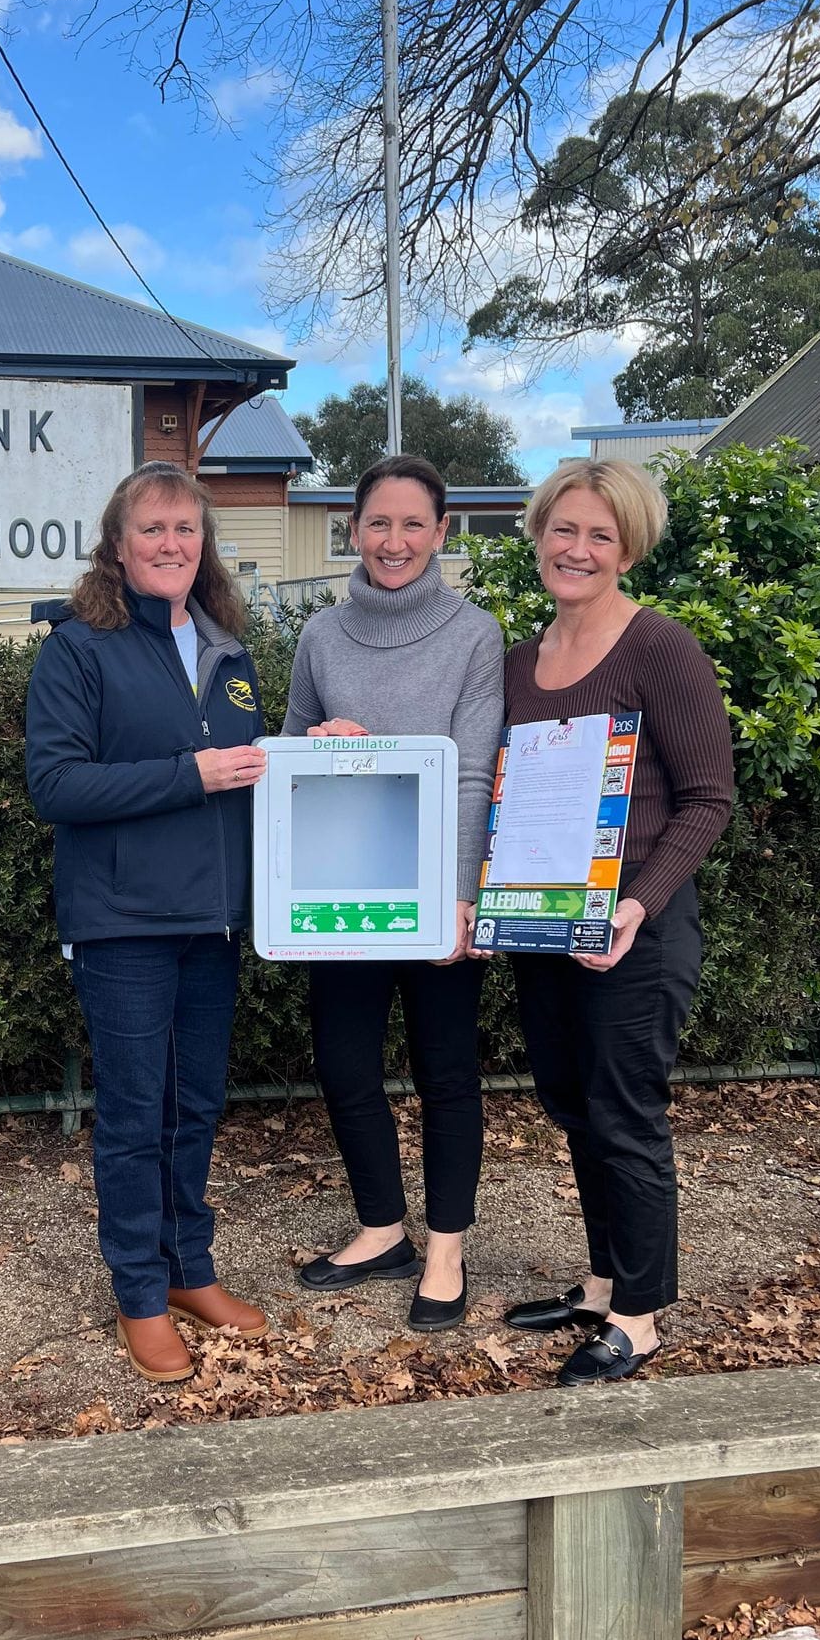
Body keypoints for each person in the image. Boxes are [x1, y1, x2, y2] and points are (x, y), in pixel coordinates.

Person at [25, 460, 268, 1384]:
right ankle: (137, 1289)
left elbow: (240, 768)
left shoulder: (226, 650)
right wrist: (190, 774)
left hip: (211, 920)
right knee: (134, 1114)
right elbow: (56, 785)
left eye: (186, 531)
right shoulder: (79, 647)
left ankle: (187, 1271)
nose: (172, 545)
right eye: (153, 530)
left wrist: (306, 755)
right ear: (117, 546)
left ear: (203, 546)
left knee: (195, 1104)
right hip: (123, 922)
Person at [494, 459, 733, 1385]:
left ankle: (640, 1316)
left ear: (627, 547)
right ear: (538, 533)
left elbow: (708, 798)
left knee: (626, 1114)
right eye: (564, 529)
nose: (578, 549)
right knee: (573, 1105)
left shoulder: (660, 648)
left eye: (600, 534)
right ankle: (601, 1285)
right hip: (547, 925)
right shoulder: (522, 663)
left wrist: (636, 904)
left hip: (636, 929)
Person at [284, 454, 504, 1331]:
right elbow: (292, 761)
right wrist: (325, 739)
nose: (395, 540)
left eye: (415, 524)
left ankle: (444, 1246)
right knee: (343, 1063)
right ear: (353, 529)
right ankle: (384, 1228)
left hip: (438, 896)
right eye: (379, 522)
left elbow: (473, 773)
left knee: (446, 1072)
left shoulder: (473, 635)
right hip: (344, 888)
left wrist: (457, 895)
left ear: (442, 532)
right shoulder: (320, 638)